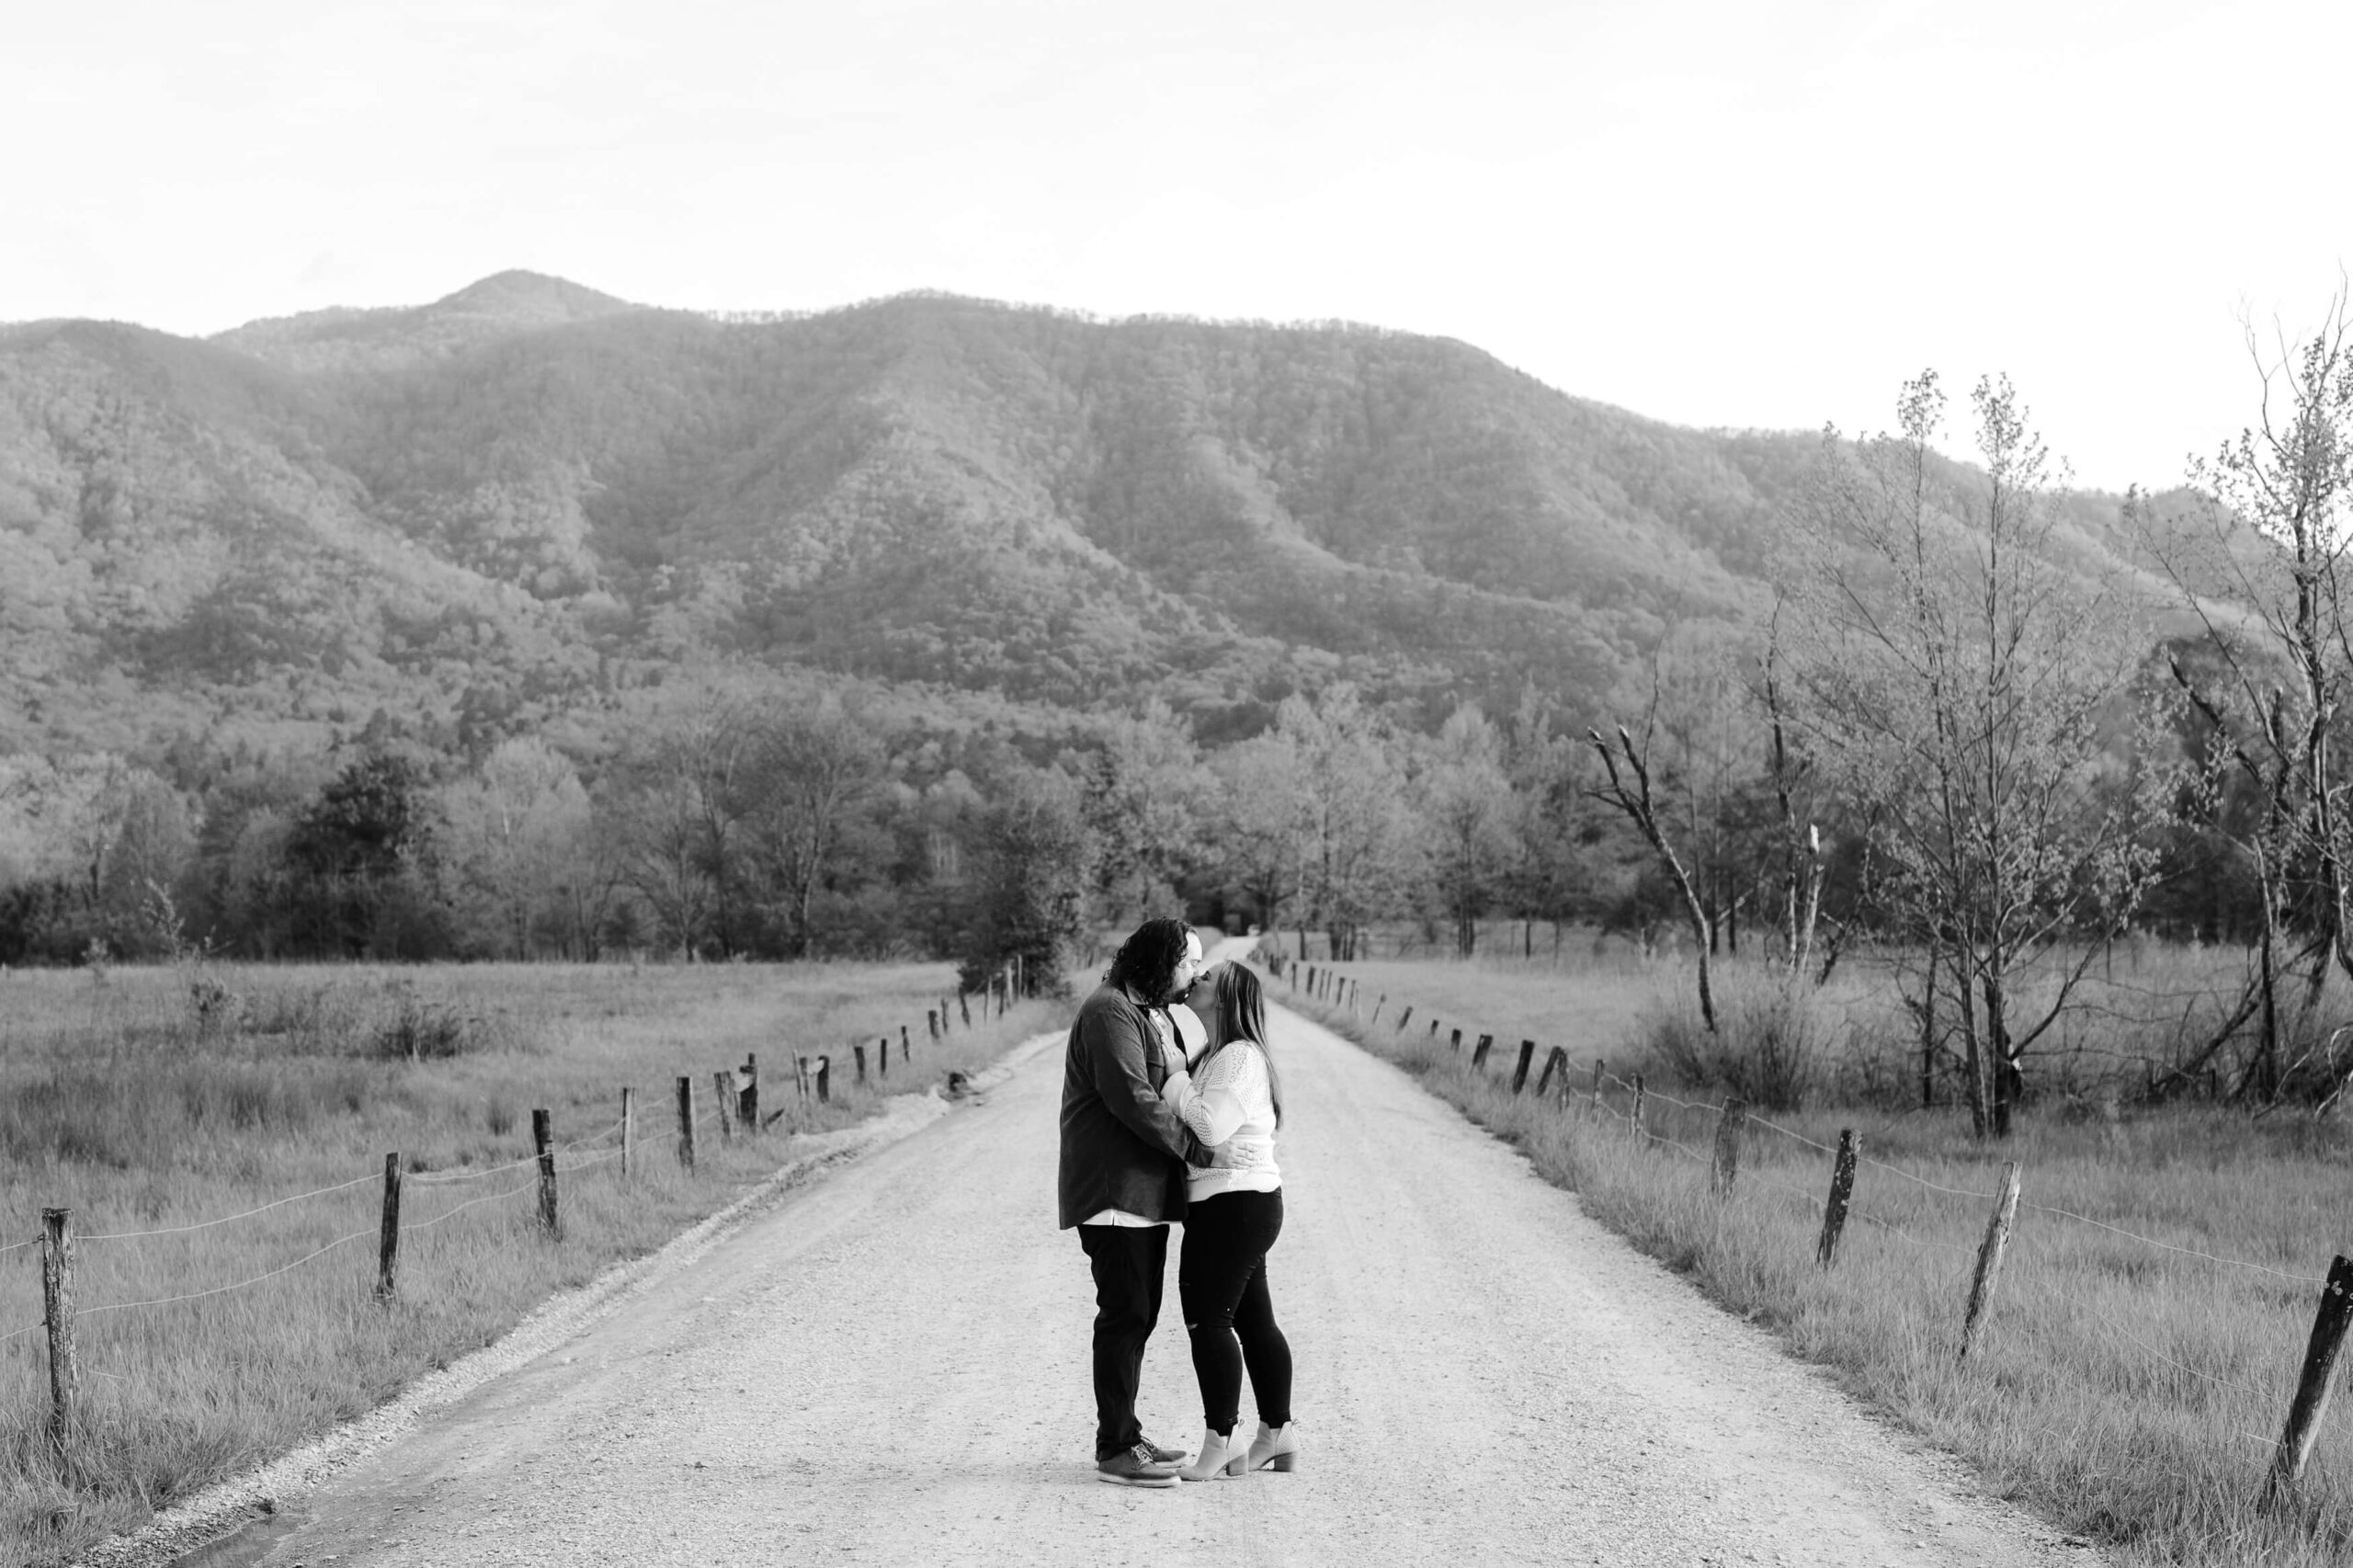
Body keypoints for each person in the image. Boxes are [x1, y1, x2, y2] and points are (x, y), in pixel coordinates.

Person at [1057, 918, 1214, 1487]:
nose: (1196, 972)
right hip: (1113, 1192)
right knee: (1125, 1316)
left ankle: (1127, 1433)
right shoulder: (1109, 1011)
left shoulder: (1140, 1008)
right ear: (1161, 959)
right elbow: (1135, 1098)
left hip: (1141, 1195)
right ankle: (1115, 1449)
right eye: (1189, 961)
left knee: (1139, 1316)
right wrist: (1197, 1148)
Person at [1158, 960, 1298, 1481]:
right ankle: (1275, 1433)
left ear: (1228, 997)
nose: (1196, 980)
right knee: (1253, 1320)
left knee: (1207, 1319)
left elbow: (1210, 1127)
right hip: (1240, 1202)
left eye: (1208, 977)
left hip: (1233, 1204)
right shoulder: (1221, 1054)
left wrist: (1174, 1079)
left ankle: (1222, 1438)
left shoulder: (1239, 1057)